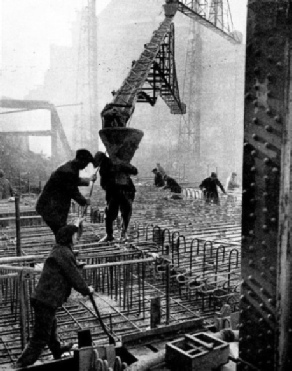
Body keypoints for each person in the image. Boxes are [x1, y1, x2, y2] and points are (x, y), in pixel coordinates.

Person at [14, 224, 94, 368]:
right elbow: (74, 276)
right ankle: (20, 364)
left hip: (44, 298)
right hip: (46, 300)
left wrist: (76, 264)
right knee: (40, 337)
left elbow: (66, 266)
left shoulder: (60, 250)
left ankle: (57, 350)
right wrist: (86, 290)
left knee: (51, 327)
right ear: (69, 236)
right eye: (75, 235)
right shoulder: (64, 253)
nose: (77, 237)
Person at [36, 149, 96, 237]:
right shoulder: (69, 171)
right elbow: (72, 190)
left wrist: (89, 180)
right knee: (61, 231)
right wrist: (84, 201)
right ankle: (62, 250)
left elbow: (74, 180)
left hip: (53, 206)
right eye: (86, 163)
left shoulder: (70, 167)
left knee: (60, 231)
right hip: (50, 207)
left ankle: (62, 249)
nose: (86, 166)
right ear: (80, 160)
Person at [93, 151, 138, 242]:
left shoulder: (114, 163)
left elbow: (134, 171)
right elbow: (104, 183)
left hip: (125, 191)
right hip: (116, 192)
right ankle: (116, 234)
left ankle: (118, 234)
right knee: (118, 214)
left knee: (121, 213)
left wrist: (122, 166)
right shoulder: (104, 166)